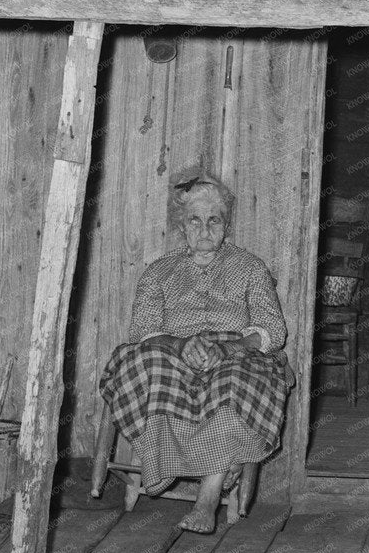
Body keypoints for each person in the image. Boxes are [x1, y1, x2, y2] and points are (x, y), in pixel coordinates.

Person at [97, 174, 293, 534]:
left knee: (236, 382)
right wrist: (179, 345)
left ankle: (207, 500)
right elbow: (142, 331)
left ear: (226, 224)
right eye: (195, 220)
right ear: (181, 226)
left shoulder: (250, 267)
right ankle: (178, 463)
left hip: (233, 351)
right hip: (173, 350)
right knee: (143, 366)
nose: (204, 229)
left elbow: (273, 329)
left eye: (214, 219)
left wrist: (229, 348)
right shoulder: (159, 271)